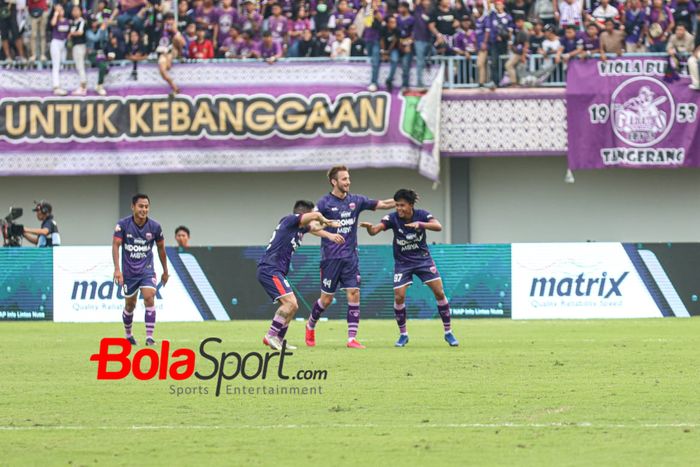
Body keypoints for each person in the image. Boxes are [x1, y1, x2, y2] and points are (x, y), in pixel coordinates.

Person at [305, 165, 396, 349]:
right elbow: (312, 226)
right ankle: (310, 325)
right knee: (326, 300)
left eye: (348, 178)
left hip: (350, 258)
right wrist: (329, 234)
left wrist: (401, 200)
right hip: (330, 259)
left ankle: (351, 339)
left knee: (354, 293)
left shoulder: (356, 200)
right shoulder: (323, 203)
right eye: (344, 179)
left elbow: (383, 205)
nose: (348, 182)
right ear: (334, 181)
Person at [361, 189, 458, 347]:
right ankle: (403, 335)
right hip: (403, 263)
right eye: (397, 205)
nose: (399, 208)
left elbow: (438, 226)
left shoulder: (422, 215)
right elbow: (375, 231)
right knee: (399, 297)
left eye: (402, 205)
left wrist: (420, 225)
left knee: (439, 292)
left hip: (423, 260)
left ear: (411, 205)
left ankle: (448, 332)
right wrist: (369, 228)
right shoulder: (392, 218)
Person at [258, 201, 339, 350]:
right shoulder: (290, 220)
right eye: (311, 215)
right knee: (290, 304)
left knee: (293, 306)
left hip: (276, 270)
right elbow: (315, 216)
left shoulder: (300, 228)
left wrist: (328, 231)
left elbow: (314, 227)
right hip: (270, 269)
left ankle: (279, 339)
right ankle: (270, 336)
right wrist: (323, 218)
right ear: (304, 215)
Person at [112, 194, 168, 347]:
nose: (144, 209)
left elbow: (161, 248)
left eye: (146, 206)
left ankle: (149, 338)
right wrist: (117, 270)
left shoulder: (155, 227)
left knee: (149, 297)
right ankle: (128, 335)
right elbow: (116, 245)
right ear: (133, 207)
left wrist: (165, 270)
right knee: (130, 305)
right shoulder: (122, 225)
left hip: (147, 270)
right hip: (129, 272)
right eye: (141, 206)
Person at [156, 13, 185, 97]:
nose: (169, 22)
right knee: (162, 69)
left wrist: (175, 31)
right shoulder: (160, 29)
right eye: (167, 20)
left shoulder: (176, 31)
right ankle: (174, 87)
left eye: (171, 19)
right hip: (163, 52)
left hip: (174, 51)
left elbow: (183, 43)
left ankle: (180, 57)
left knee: (177, 38)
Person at [50, 4, 70, 96]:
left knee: (63, 64)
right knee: (56, 64)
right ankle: (56, 86)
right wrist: (56, 14)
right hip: (56, 42)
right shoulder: (55, 20)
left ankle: (63, 85)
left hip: (64, 43)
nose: (60, 11)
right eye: (58, 9)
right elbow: (52, 24)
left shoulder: (67, 21)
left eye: (61, 9)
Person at [68, 5, 88, 96]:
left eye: (77, 10)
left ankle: (83, 87)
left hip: (80, 45)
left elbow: (80, 32)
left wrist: (72, 34)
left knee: (80, 66)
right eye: (74, 10)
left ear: (80, 12)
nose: (75, 12)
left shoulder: (81, 21)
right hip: (75, 46)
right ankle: (82, 86)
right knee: (78, 66)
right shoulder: (73, 22)